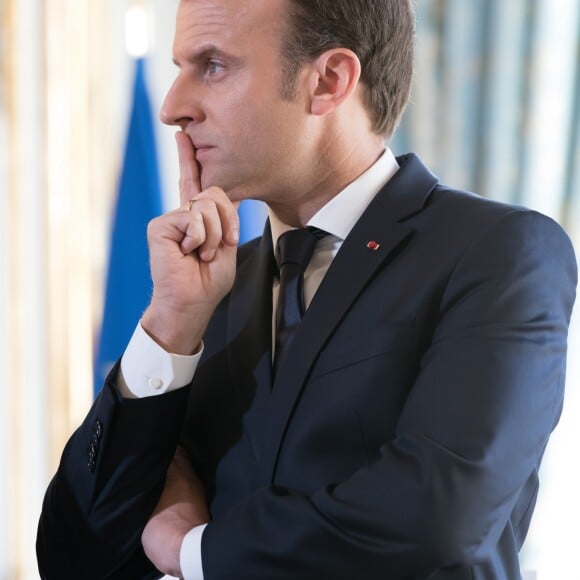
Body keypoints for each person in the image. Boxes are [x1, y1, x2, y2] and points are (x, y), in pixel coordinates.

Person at [37, 0, 577, 578]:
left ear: (328, 81)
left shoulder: (499, 252)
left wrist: (194, 550)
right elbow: (76, 559)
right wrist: (171, 324)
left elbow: (437, 518)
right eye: (179, 67)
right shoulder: (203, 293)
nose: (173, 107)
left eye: (214, 66)